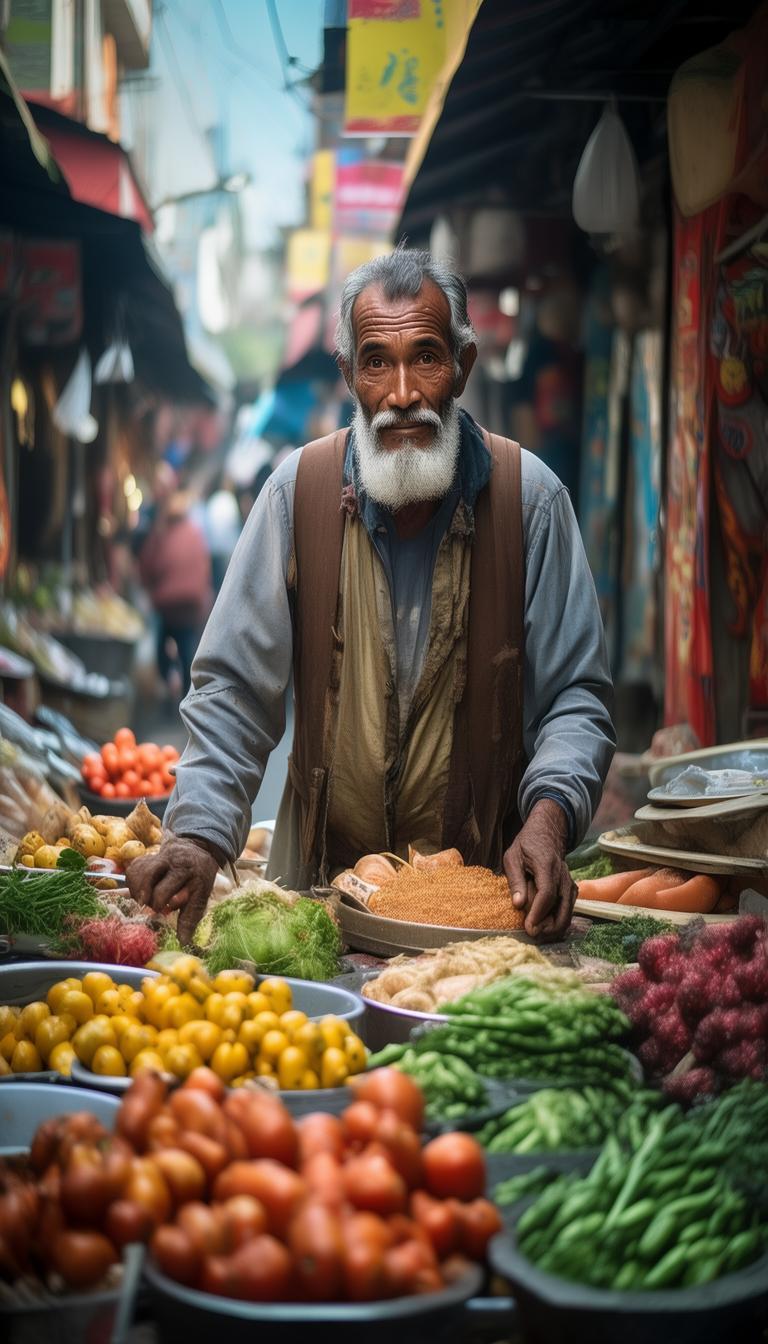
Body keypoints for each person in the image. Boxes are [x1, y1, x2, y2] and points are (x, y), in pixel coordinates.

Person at [128, 248, 614, 943]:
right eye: (376, 362)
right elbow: (236, 689)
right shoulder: (295, 494)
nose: (403, 392)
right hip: (317, 909)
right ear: (349, 376)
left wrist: (549, 817)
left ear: (463, 369)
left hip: (483, 917)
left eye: (427, 357)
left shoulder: (529, 501)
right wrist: (200, 835)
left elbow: (575, 695)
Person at [137, 468, 212, 701]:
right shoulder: (194, 532)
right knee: (187, 652)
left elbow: (149, 564)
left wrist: (149, 586)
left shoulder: (162, 532)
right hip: (189, 606)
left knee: (165, 651)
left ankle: (175, 687)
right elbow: (204, 568)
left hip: (169, 605)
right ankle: (186, 697)